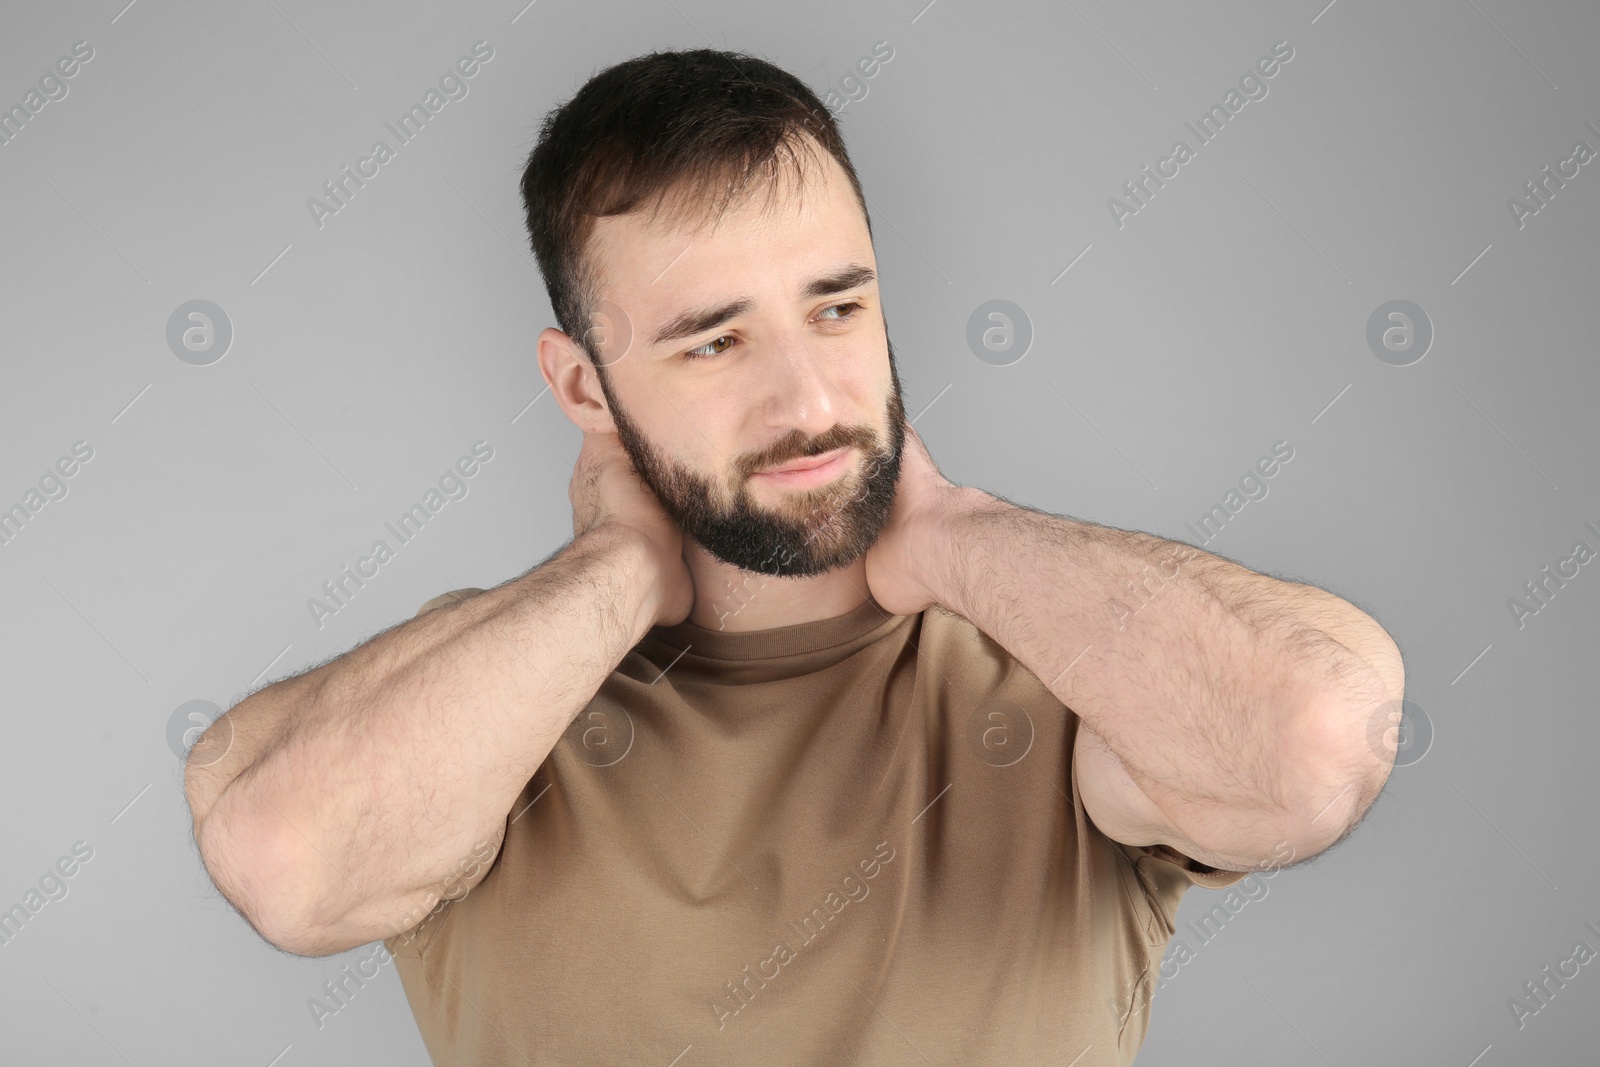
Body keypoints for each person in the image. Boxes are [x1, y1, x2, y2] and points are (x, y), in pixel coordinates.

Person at [184, 47, 1404, 1065]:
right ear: (583, 386)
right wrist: (614, 570)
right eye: (713, 343)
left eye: (836, 307)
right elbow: (284, 857)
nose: (812, 396)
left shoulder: (1057, 685)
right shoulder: (485, 710)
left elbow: (1318, 740)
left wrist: (956, 534)